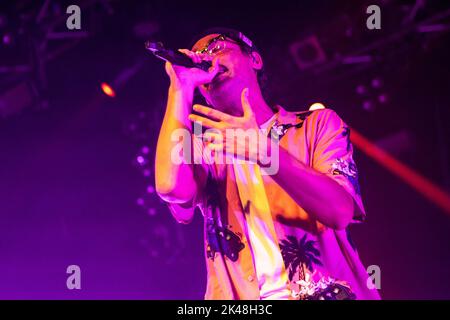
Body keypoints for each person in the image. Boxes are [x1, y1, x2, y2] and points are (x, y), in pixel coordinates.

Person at [155, 27, 380, 300]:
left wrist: (267, 154)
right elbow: (170, 187)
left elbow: (339, 211)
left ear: (255, 59)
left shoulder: (316, 125)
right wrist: (179, 86)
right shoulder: (205, 148)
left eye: (217, 47)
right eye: (200, 56)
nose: (207, 59)